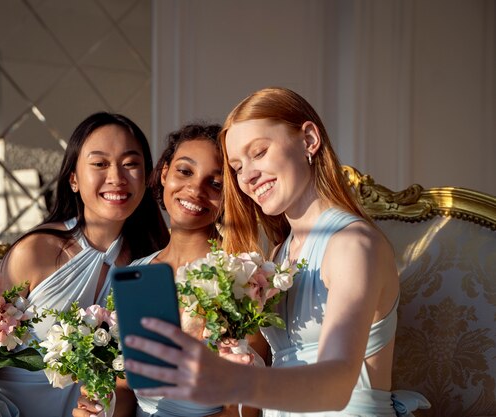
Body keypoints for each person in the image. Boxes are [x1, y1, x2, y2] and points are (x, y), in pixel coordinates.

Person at [121, 88, 430, 416]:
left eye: (260, 152)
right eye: (237, 167)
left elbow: (338, 385)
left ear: (309, 139)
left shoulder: (352, 244)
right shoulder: (278, 254)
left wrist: (234, 380)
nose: (248, 176)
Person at [0, 112, 170, 417]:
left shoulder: (152, 266)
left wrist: (108, 409)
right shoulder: (35, 251)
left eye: (130, 164)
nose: (116, 178)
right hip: (3, 408)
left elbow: (136, 385)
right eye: (100, 164)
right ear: (73, 178)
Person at [73, 123, 265, 417]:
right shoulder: (137, 273)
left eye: (215, 183)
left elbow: (245, 410)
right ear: (164, 173)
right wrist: (104, 412)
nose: (195, 189)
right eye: (185, 171)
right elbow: (126, 388)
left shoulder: (241, 278)